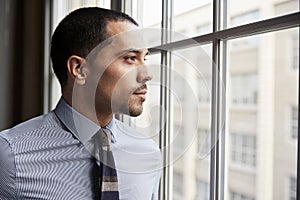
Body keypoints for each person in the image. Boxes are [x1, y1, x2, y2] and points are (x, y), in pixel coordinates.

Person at [0, 7, 162, 200]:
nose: (146, 74)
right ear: (80, 69)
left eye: (144, 58)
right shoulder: (9, 155)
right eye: (130, 58)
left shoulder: (147, 153)